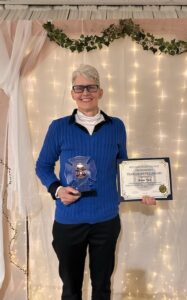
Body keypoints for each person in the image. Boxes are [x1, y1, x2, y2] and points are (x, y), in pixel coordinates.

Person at [36, 64, 156, 300]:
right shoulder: (58, 127)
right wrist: (57, 189)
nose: (85, 93)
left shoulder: (116, 126)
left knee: (102, 287)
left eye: (91, 87)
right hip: (69, 220)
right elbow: (43, 166)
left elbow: (124, 168)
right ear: (72, 93)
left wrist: (142, 191)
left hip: (106, 220)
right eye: (79, 88)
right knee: (71, 289)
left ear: (100, 92)